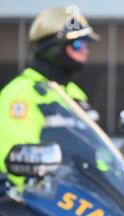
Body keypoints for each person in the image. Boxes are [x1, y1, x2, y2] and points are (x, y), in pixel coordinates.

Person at [0, 7, 99, 185]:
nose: (85, 51)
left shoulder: (74, 94)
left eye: (85, 45)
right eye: (78, 45)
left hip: (84, 199)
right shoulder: (21, 94)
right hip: (45, 202)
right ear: (53, 47)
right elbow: (16, 163)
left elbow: (94, 152)